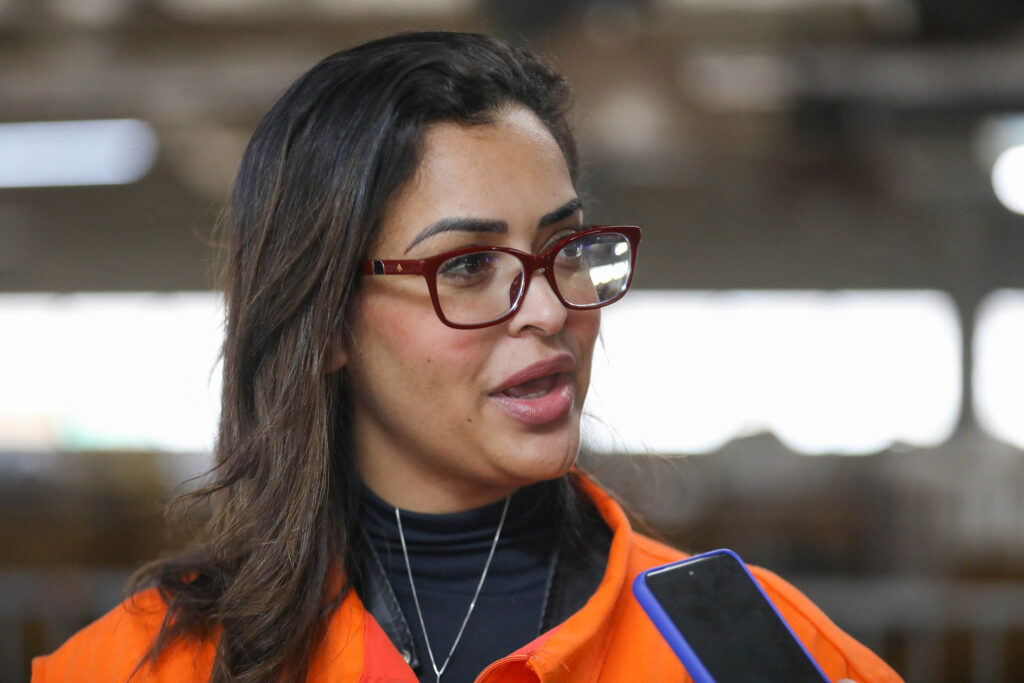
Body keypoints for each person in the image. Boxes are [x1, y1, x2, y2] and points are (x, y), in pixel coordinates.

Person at [32, 32, 901, 683]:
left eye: (565, 247)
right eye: (469, 266)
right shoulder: (148, 664)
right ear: (325, 323)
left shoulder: (754, 649)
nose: (552, 308)